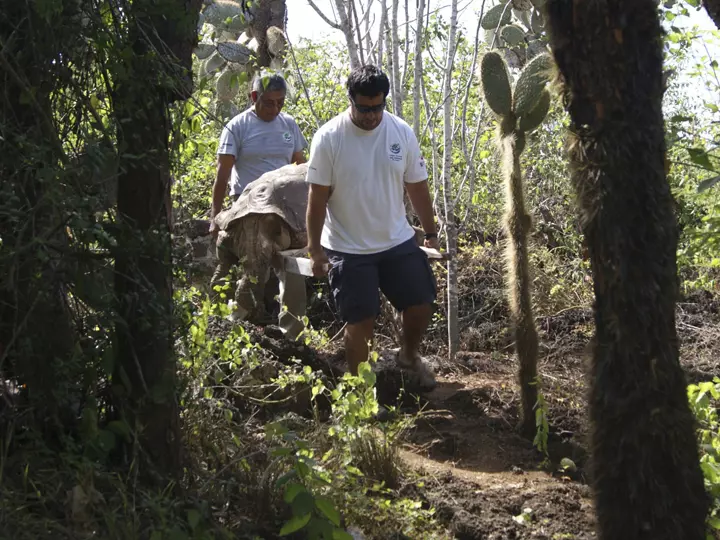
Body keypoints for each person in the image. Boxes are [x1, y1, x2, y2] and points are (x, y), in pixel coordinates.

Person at [305, 64, 440, 388]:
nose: (371, 115)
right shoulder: (329, 138)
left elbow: (418, 187)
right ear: (351, 100)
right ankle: (361, 397)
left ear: (384, 101)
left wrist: (432, 233)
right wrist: (315, 249)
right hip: (348, 246)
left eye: (377, 107)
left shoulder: (400, 132)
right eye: (364, 108)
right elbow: (317, 199)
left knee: (422, 302)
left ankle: (408, 357)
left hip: (395, 240)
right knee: (361, 320)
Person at [209, 72, 308, 337]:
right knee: (252, 267)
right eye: (268, 102)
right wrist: (215, 215)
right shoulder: (237, 126)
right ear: (254, 97)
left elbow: (301, 168)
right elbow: (222, 175)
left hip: (284, 207)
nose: (275, 108)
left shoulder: (289, 125)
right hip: (249, 206)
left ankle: (287, 328)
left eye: (280, 102)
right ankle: (235, 323)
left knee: (286, 267)